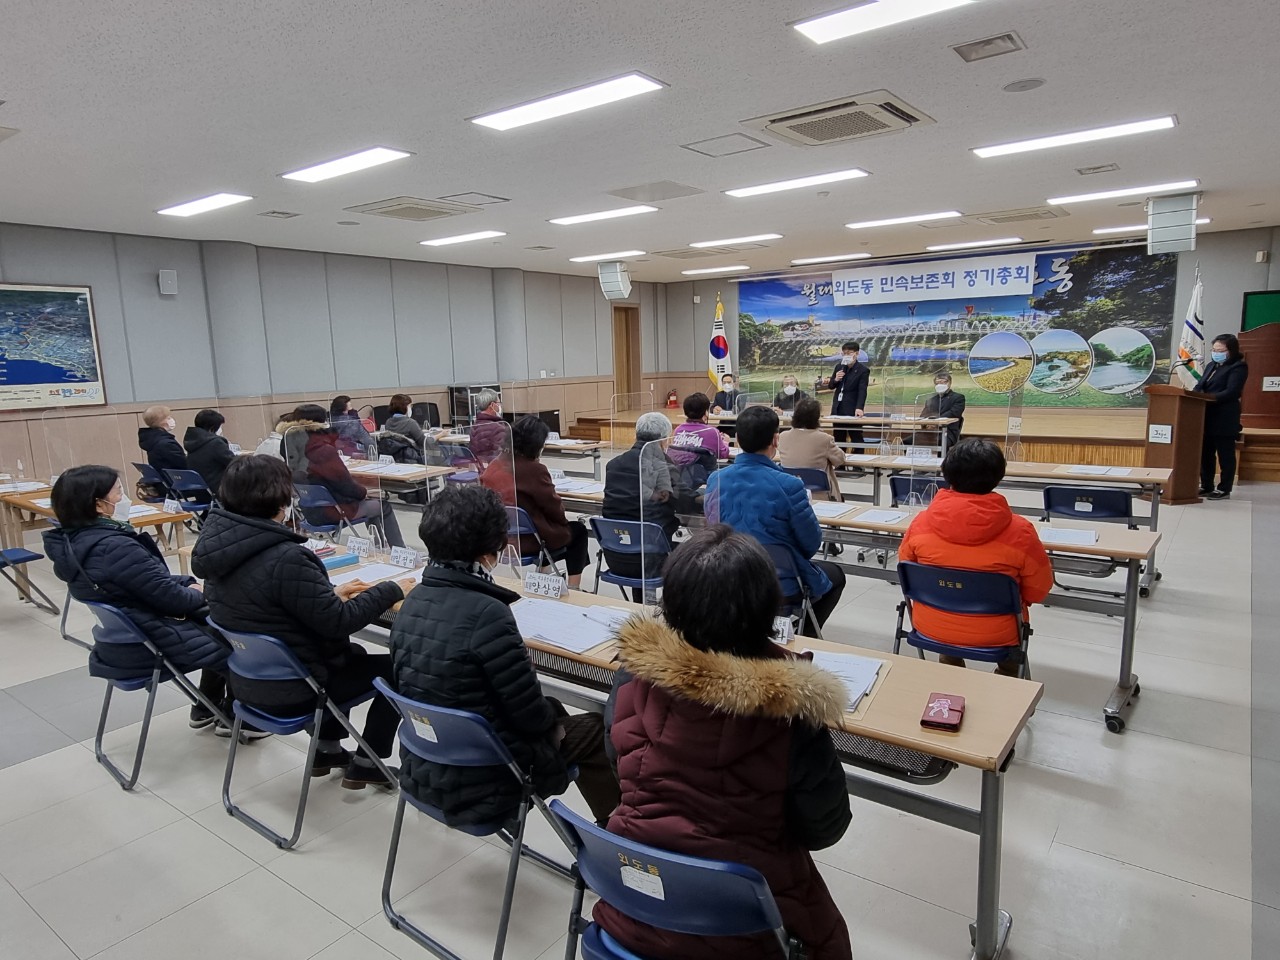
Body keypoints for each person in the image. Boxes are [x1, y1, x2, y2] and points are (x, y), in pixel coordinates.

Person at [597, 525, 853, 960]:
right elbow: (825, 827)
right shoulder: (792, 706)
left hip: (638, 905)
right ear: (766, 608)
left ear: (671, 602)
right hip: (746, 928)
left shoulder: (633, 673)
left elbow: (615, 758)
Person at [389, 485, 620, 825]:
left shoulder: (412, 601)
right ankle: (615, 836)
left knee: (551, 708)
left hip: (425, 762)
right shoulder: (488, 614)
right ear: (490, 552)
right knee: (597, 728)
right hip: (489, 775)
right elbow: (530, 718)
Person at [191, 455, 416, 788]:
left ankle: (327, 750)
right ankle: (369, 761)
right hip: (299, 688)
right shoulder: (287, 557)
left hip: (249, 684)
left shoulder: (218, 550)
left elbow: (261, 605)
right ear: (279, 499)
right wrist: (390, 589)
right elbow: (340, 623)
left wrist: (326, 594)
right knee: (402, 668)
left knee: (354, 656)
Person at [42, 465, 233, 732]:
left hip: (124, 641)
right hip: (151, 642)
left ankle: (206, 707)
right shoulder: (114, 547)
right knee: (237, 631)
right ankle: (240, 717)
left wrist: (187, 583)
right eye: (119, 492)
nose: (125, 498)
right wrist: (196, 592)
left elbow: (139, 584)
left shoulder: (75, 544)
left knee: (216, 620)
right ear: (99, 505)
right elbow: (171, 599)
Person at [898, 438, 1052, 675]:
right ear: (999, 477)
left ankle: (952, 681)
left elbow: (906, 570)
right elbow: (1038, 589)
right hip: (999, 630)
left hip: (932, 624)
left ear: (947, 474)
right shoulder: (1021, 531)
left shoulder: (920, 523)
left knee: (946, 602)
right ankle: (1008, 685)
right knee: (1012, 652)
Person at [706, 406, 845, 628]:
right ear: (776, 440)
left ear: (738, 440)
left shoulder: (716, 479)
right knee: (835, 576)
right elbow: (811, 545)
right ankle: (802, 636)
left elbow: (712, 528)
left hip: (726, 574)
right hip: (777, 582)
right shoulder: (789, 484)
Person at [481, 414, 591, 589]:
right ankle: (574, 588)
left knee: (544, 528)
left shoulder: (494, 466)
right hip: (531, 542)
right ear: (536, 445)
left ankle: (546, 574)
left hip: (500, 540)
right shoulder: (535, 470)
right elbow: (555, 510)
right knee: (578, 531)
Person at [282, 404, 406, 547]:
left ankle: (380, 545)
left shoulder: (289, 445)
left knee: (371, 502)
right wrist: (364, 492)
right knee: (382, 505)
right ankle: (398, 548)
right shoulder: (323, 450)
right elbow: (345, 485)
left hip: (309, 510)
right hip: (333, 511)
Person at [601, 412, 688, 599]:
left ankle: (641, 603)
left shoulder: (614, 465)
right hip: (652, 561)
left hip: (616, 556)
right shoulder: (664, 466)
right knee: (695, 550)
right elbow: (684, 503)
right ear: (664, 440)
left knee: (636, 530)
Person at [1194, 333, 1250, 500]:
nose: (1216, 352)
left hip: (1224, 417)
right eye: (1214, 349)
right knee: (1206, 454)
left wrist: (1209, 398)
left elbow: (1232, 391)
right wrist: (1195, 394)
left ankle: (1224, 488)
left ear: (1231, 351)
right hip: (1206, 416)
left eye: (1220, 350)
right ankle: (1206, 485)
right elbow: (1200, 385)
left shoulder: (1238, 367)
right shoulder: (1211, 365)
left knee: (1225, 455)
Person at [777, 398, 844, 501]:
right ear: (817, 418)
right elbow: (840, 460)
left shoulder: (783, 436)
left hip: (789, 494)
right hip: (819, 496)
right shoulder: (824, 439)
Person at [669, 392, 730, 485]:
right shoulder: (712, 431)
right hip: (706, 478)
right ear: (705, 412)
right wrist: (725, 441)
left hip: (682, 477)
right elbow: (723, 454)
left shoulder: (678, 430)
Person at [824, 341, 869, 452]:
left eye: (849, 353)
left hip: (852, 408)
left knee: (856, 437)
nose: (846, 355)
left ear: (856, 353)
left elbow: (862, 390)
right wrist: (836, 379)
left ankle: (858, 467)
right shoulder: (839, 366)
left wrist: (859, 408)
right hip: (838, 408)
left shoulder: (863, 370)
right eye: (844, 353)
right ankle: (840, 466)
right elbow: (831, 386)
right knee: (839, 438)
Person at [183, 408, 236, 497]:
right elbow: (233, 462)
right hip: (217, 489)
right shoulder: (215, 443)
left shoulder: (191, 441)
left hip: (198, 490)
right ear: (212, 428)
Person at [919, 371, 966, 450]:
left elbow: (954, 413)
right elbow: (923, 415)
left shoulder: (958, 398)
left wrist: (936, 423)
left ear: (949, 383)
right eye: (938, 382)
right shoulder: (931, 400)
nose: (940, 385)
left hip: (948, 432)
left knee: (942, 442)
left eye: (943, 382)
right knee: (906, 441)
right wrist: (927, 424)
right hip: (930, 432)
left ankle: (942, 462)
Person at [137, 405, 187, 473]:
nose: (171, 420)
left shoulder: (152, 439)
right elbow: (184, 464)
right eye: (168, 418)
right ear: (161, 421)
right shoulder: (166, 444)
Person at [468, 388, 509, 467]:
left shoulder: (474, 426)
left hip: (482, 470)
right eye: (499, 403)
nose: (500, 406)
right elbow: (504, 457)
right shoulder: (498, 428)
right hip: (496, 472)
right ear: (493, 405)